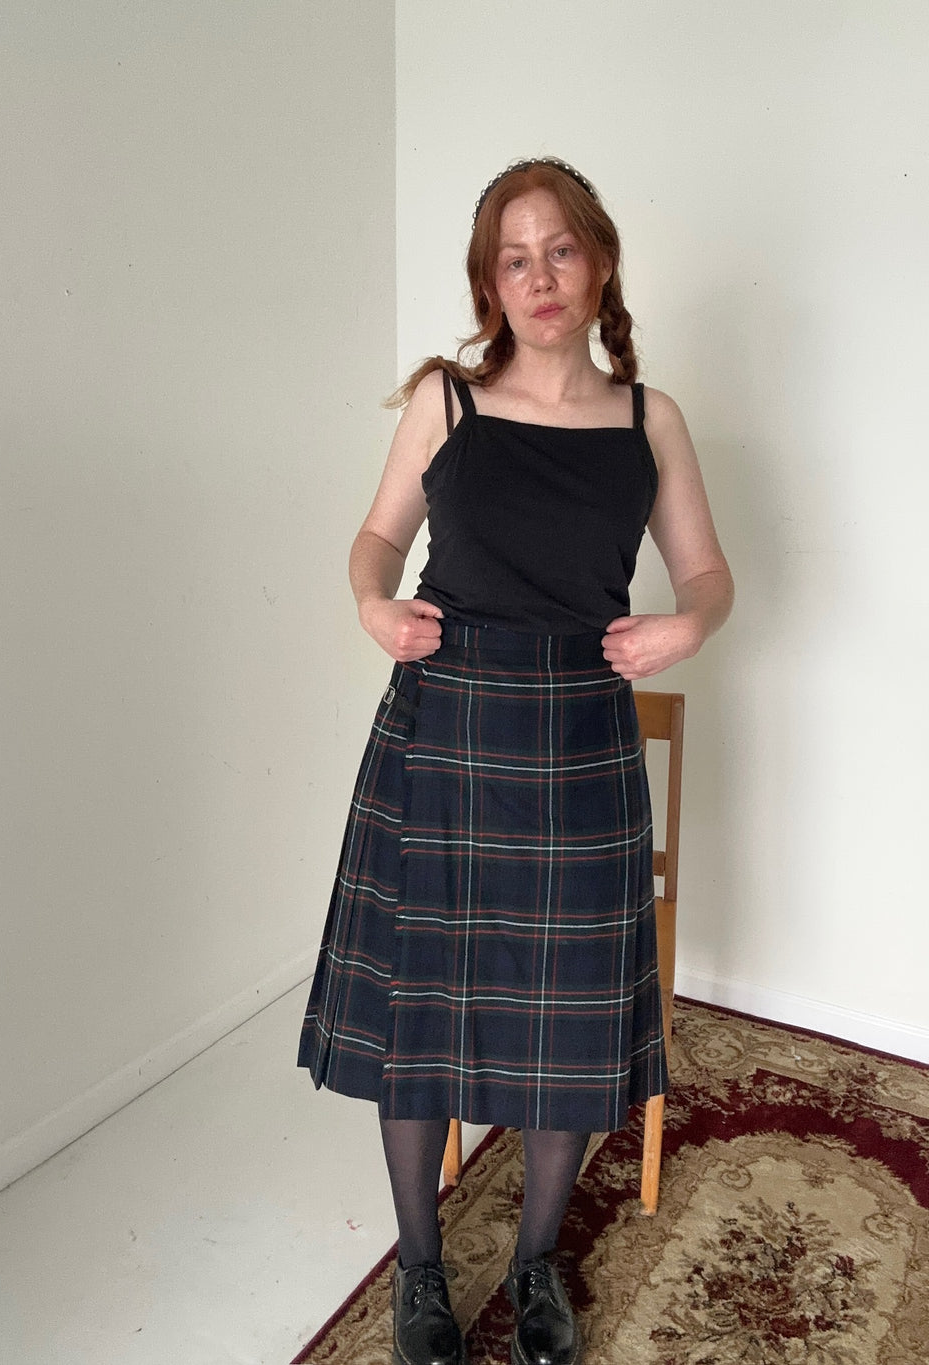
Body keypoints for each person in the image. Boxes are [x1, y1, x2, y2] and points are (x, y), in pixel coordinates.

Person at [298, 156, 733, 1365]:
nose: (539, 277)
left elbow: (706, 572)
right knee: (420, 1017)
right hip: (442, 729)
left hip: (580, 742)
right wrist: (373, 605)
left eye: (560, 250)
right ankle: (420, 1271)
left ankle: (536, 1265)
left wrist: (687, 625)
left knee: (570, 1029)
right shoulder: (445, 402)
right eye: (513, 258)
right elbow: (375, 538)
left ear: (599, 263)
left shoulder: (648, 419)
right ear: (488, 283)